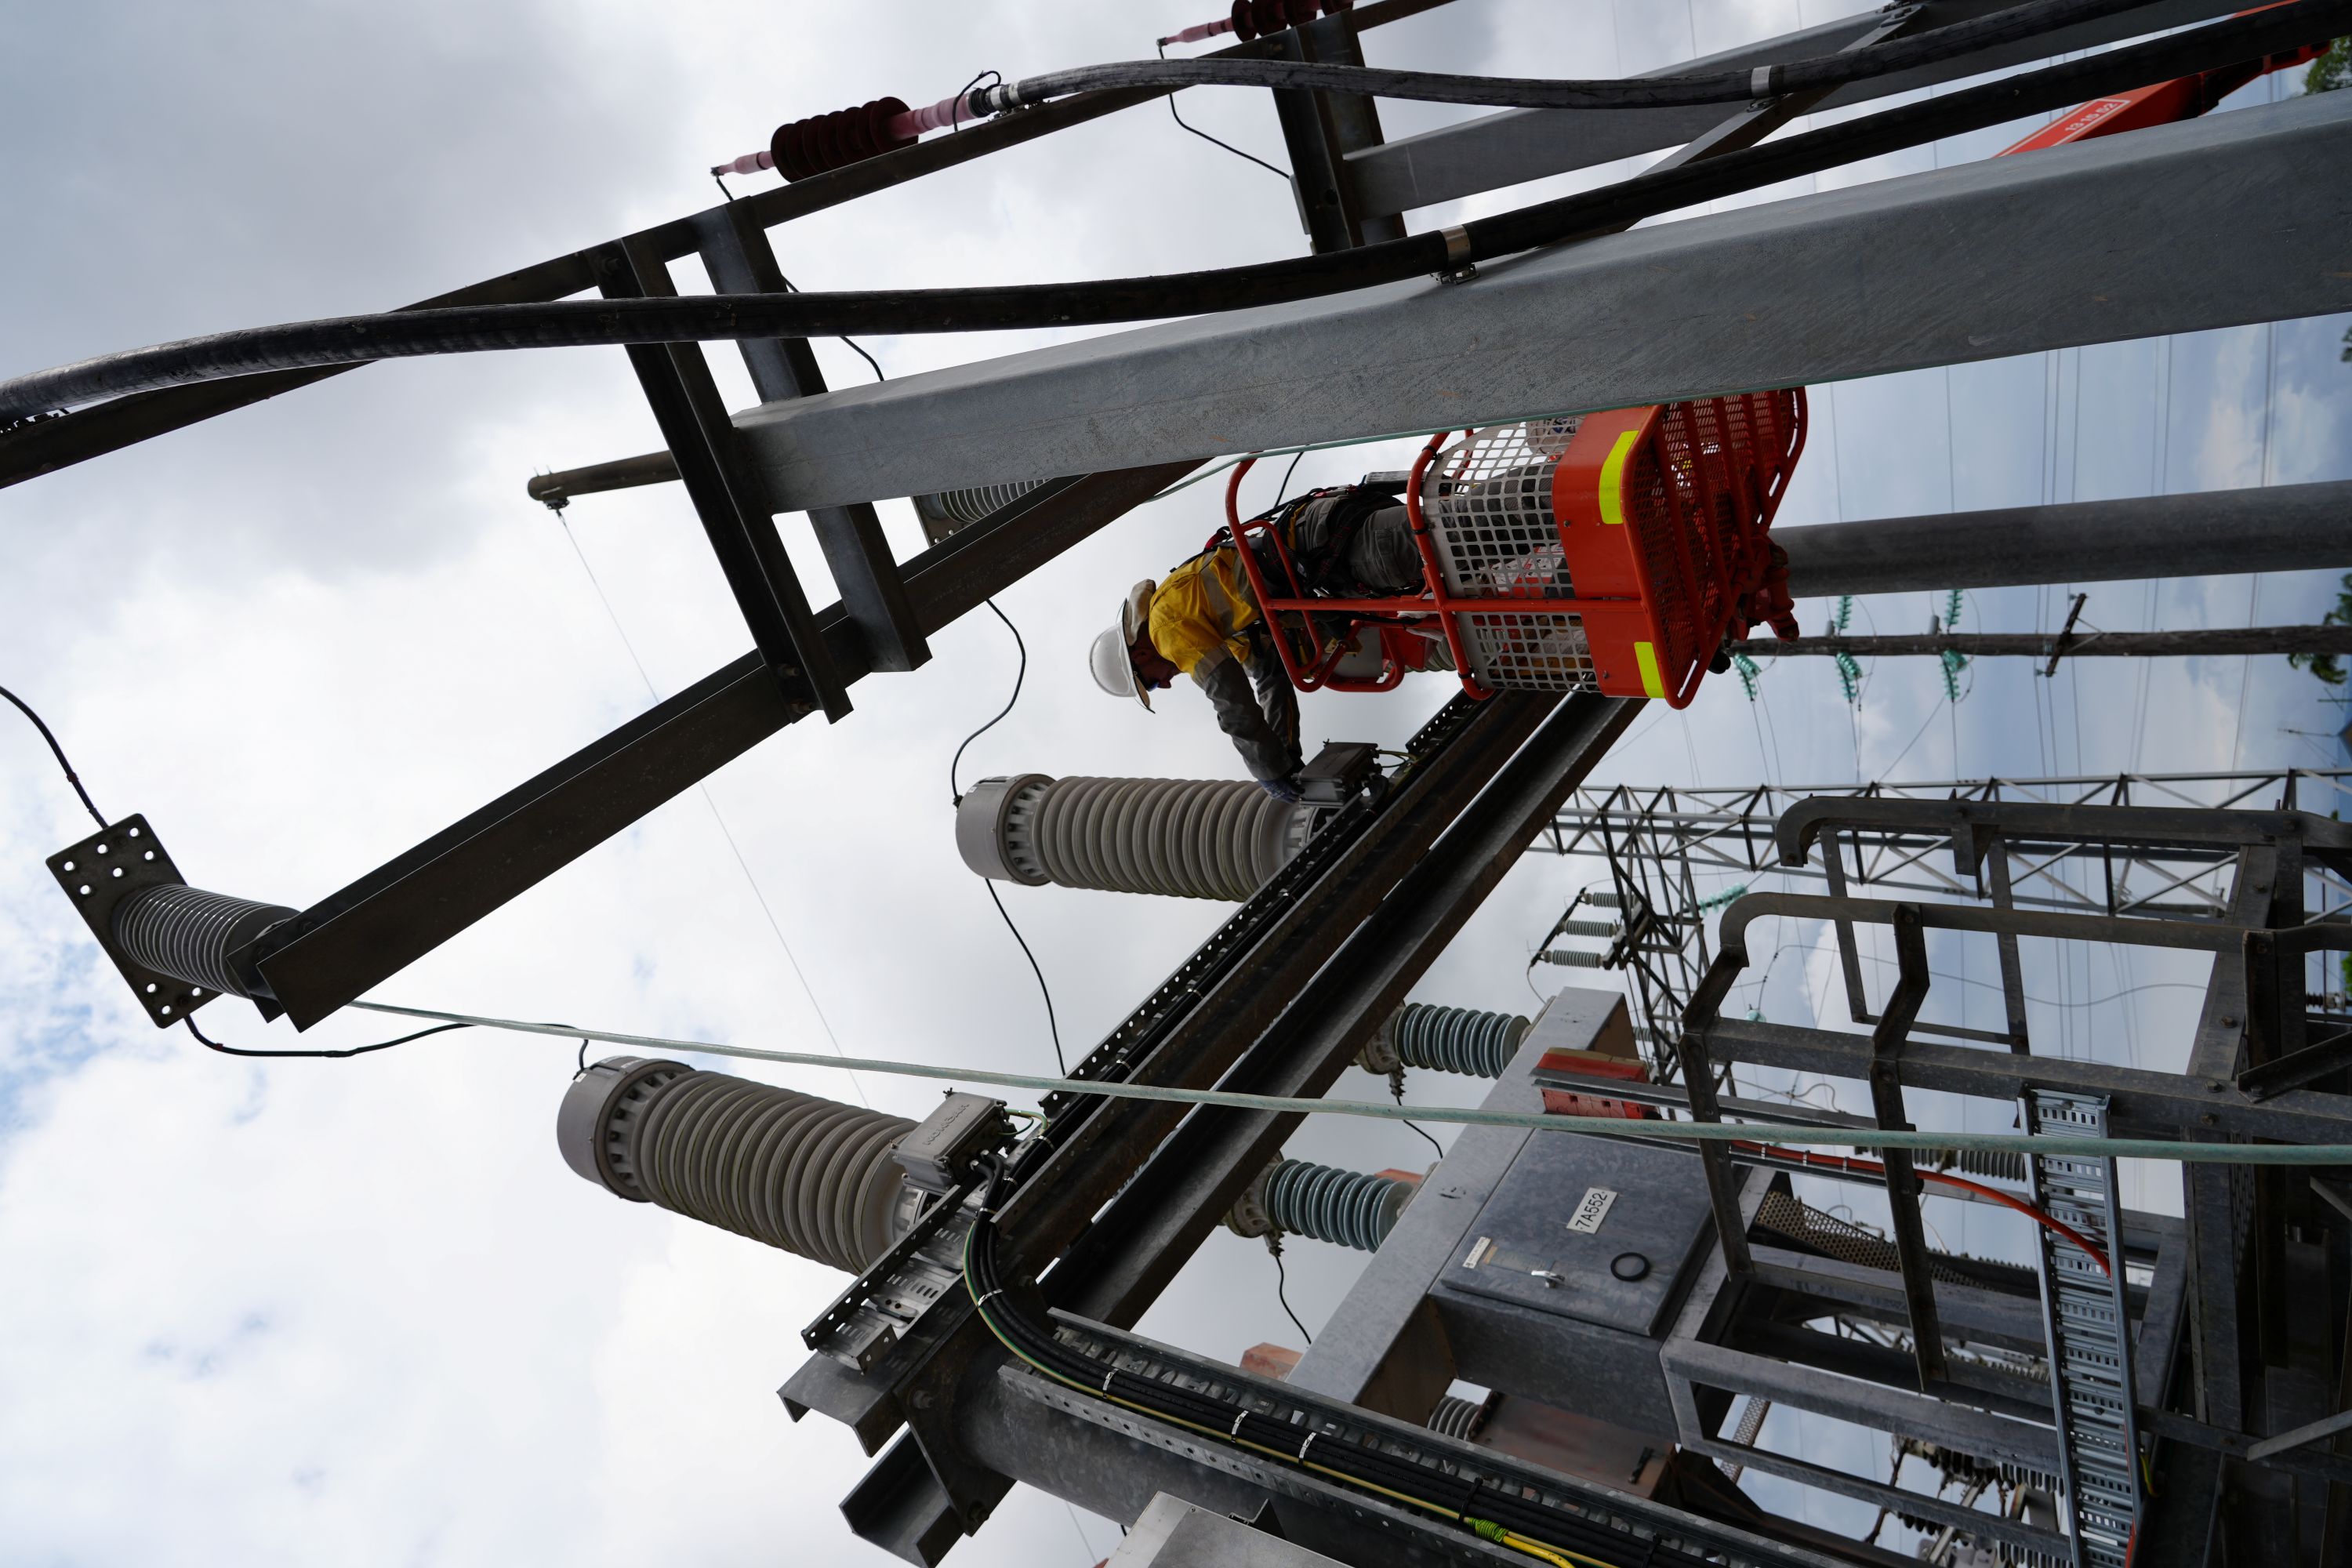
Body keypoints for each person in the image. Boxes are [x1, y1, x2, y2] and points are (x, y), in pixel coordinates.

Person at [1087, 485, 1432, 799]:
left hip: (1336, 547)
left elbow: (1231, 698)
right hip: (1330, 547)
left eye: (1151, 682)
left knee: (1453, 537)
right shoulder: (1210, 620)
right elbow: (1270, 674)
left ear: (1141, 654)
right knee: (1451, 546)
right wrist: (1286, 759)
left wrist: (1267, 771)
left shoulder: (1167, 629)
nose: (1165, 684)